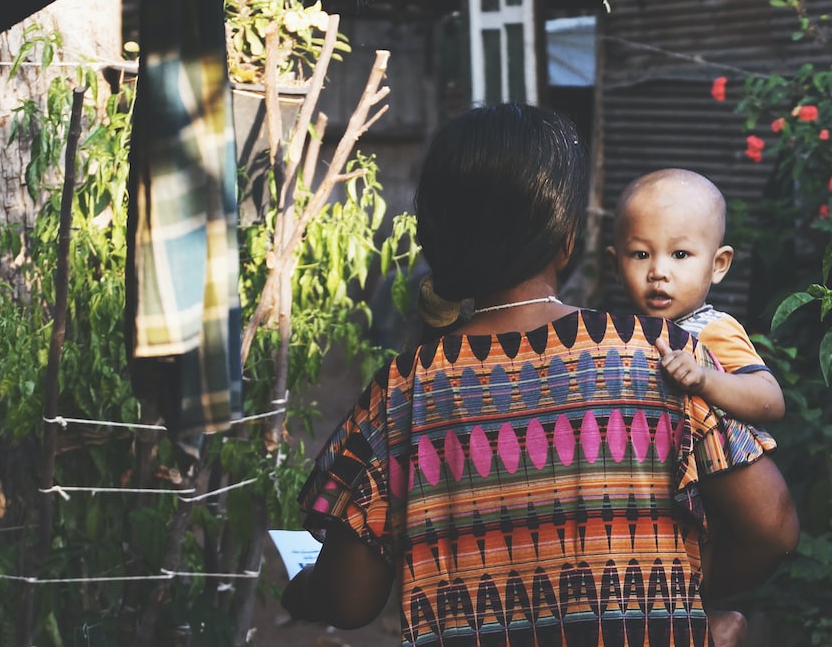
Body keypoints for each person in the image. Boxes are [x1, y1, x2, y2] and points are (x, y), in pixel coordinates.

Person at [282, 104, 797, 646]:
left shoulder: (403, 390)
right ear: (568, 239)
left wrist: (302, 591)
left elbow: (350, 598)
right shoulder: (663, 356)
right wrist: (684, 609)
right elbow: (773, 528)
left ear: (437, 241)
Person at [609, 169, 784, 426]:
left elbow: (770, 400)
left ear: (718, 265)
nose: (658, 272)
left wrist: (703, 378)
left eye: (680, 254)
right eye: (641, 254)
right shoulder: (623, 333)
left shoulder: (712, 330)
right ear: (616, 267)